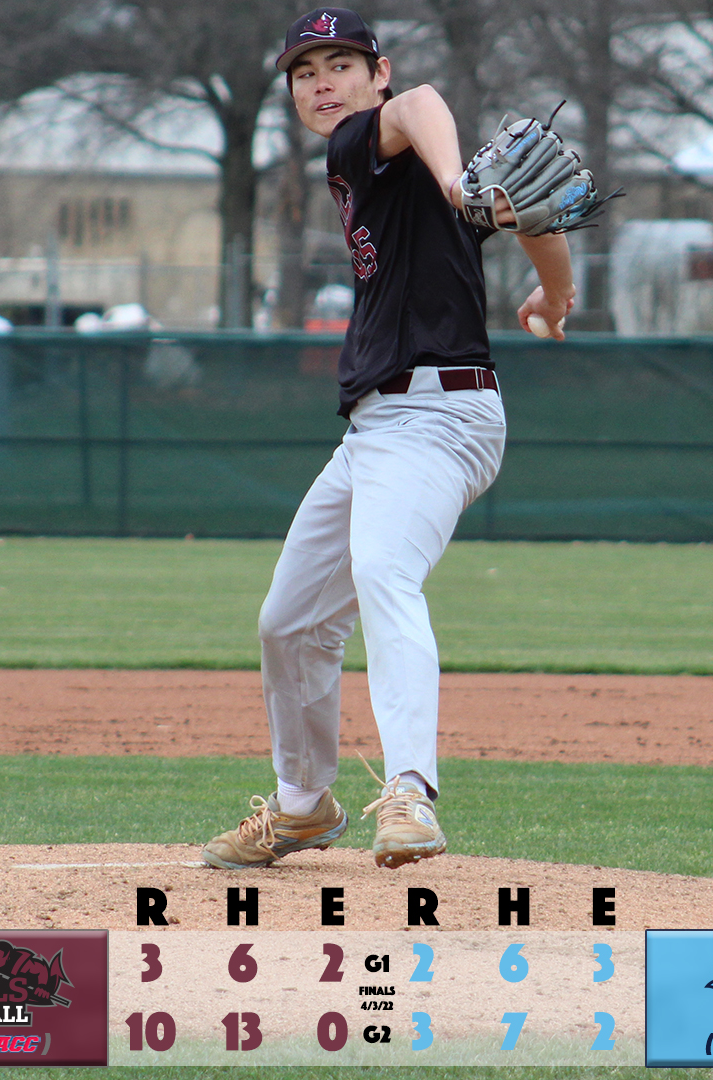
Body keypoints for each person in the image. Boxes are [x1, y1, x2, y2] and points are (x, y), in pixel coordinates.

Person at [201, 7, 576, 870]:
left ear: (379, 73)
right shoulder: (404, 170)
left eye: (341, 64)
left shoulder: (370, 139)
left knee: (382, 571)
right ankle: (303, 804)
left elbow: (423, 106)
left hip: (441, 416)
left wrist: (453, 181)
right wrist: (553, 296)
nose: (321, 82)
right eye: (304, 72)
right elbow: (533, 209)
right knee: (288, 622)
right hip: (379, 426)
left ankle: (410, 790)